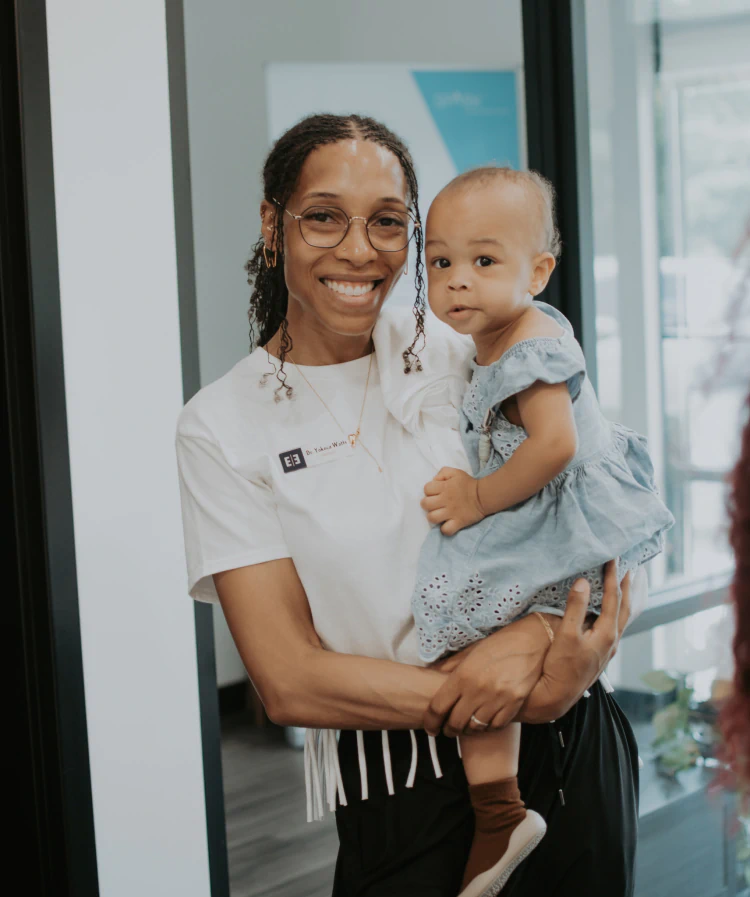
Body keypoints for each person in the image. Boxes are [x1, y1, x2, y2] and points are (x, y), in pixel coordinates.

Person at [176, 113, 646, 896]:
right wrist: (520, 688)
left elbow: (606, 507)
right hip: (399, 783)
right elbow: (289, 678)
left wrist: (545, 648)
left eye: (389, 222)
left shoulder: (468, 344)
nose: (360, 249)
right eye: (324, 215)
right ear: (272, 223)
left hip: (572, 751)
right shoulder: (222, 424)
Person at [400, 167, 673, 896]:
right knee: (477, 646)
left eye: (484, 261)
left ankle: (497, 809)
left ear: (540, 269)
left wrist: (480, 497)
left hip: (563, 529)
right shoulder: (498, 333)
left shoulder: (528, 347)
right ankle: (501, 810)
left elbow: (555, 447)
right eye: (441, 262)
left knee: (464, 631)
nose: (457, 281)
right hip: (558, 527)